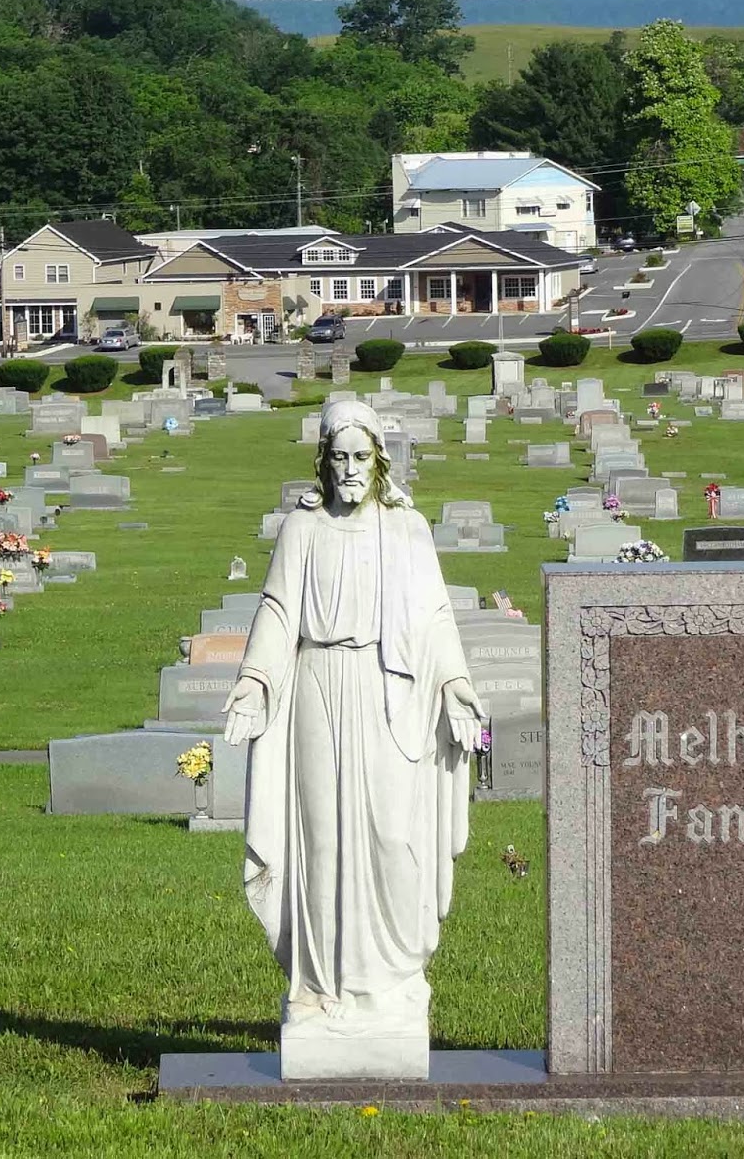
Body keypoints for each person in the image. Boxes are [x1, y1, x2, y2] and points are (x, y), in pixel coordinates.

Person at [223, 399, 484, 1076]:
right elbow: (279, 611)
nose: (349, 470)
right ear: (322, 461)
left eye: (360, 458)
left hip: (388, 693)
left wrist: (455, 686)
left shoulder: (406, 530)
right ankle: (324, 991)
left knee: (392, 837)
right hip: (317, 688)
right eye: (338, 457)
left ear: (379, 461)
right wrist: (255, 682)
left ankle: (391, 984)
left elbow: (432, 616)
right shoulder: (301, 531)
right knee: (323, 842)